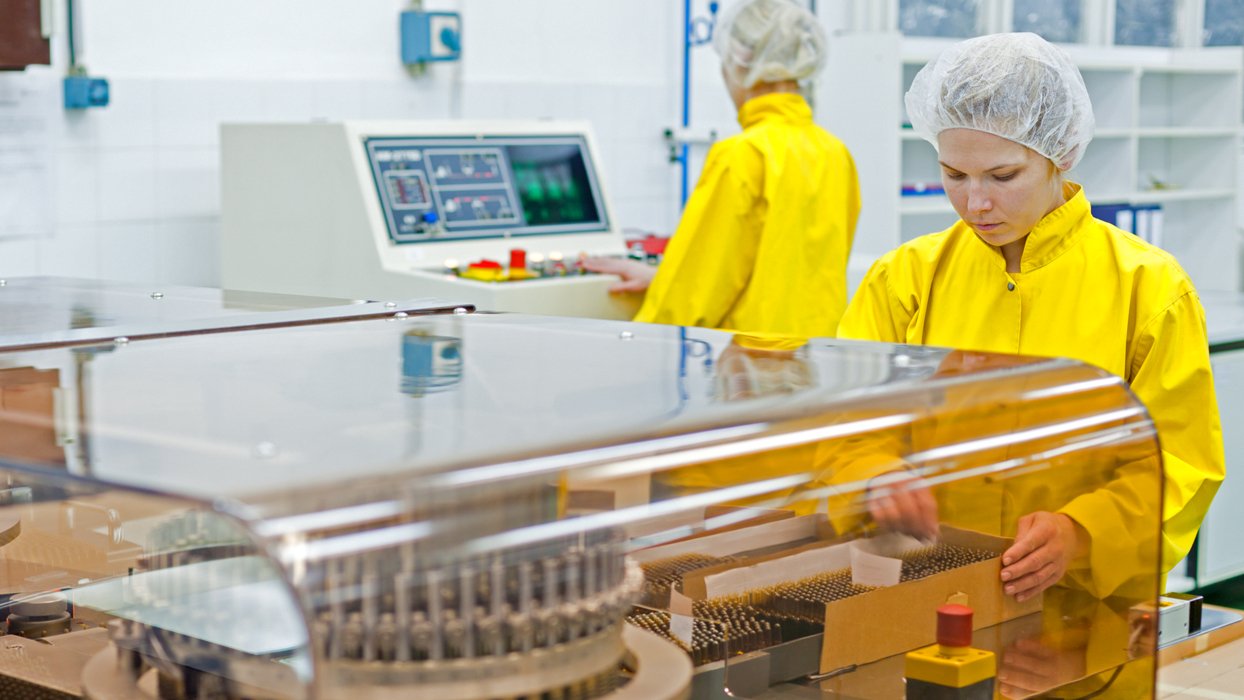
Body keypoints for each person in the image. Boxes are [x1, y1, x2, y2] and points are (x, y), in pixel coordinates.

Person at [836, 33, 1224, 602]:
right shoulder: (905, 281)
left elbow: (1182, 462)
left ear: (1060, 153)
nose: (975, 204)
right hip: (926, 593)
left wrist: (1082, 532)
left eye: (1002, 176)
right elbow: (845, 424)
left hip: (1080, 611)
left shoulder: (1149, 288)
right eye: (954, 175)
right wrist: (872, 474)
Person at [584, 0, 859, 337]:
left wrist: (636, 343)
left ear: (739, 62)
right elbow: (786, 275)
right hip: (812, 360)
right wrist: (663, 277)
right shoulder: (834, 152)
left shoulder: (744, 154)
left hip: (748, 370)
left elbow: (691, 303)